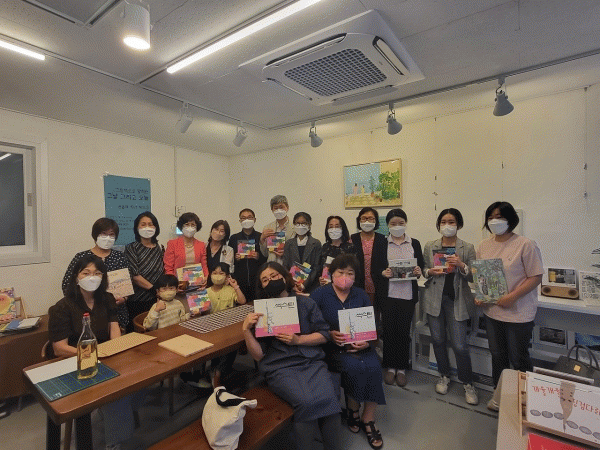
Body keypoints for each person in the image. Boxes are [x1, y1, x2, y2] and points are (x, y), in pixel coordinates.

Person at [242, 262, 342, 450]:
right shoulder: (260, 312)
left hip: (310, 361)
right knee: (306, 402)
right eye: (265, 280)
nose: (271, 280)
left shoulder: (306, 303)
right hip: (279, 367)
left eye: (274, 276)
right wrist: (246, 330)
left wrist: (298, 340)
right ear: (261, 286)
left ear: (284, 276)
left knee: (330, 398)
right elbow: (258, 355)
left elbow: (324, 334)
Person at [50, 254, 140, 450]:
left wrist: (117, 350)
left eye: (97, 273)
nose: (92, 277)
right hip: (76, 362)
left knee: (138, 380)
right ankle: (115, 443)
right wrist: (92, 355)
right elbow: (59, 348)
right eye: (86, 273)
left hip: (105, 356)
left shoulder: (107, 298)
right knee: (116, 393)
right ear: (76, 277)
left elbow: (114, 328)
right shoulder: (62, 307)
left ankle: (113, 419)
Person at [312, 254, 385, 449]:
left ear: (356, 276)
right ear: (331, 274)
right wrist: (329, 334)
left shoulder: (361, 295)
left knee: (374, 366)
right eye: (340, 272)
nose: (345, 277)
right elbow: (310, 323)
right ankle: (353, 410)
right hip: (333, 349)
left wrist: (367, 342)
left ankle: (368, 418)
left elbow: (373, 326)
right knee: (355, 366)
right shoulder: (319, 294)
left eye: (350, 273)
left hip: (361, 346)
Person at [476, 201, 543, 411]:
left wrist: (513, 297)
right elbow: (482, 276)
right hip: (492, 312)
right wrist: (481, 295)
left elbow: (535, 277)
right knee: (497, 355)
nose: (494, 221)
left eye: (500, 217)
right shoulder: (484, 245)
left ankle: (526, 402)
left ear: (511, 219)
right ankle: (499, 396)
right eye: (491, 217)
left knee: (518, 357)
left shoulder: (525, 244)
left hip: (518, 313)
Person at [422, 208, 478, 405]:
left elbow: (474, 275)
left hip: (457, 301)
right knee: (438, 340)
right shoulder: (430, 246)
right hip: (434, 299)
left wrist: (461, 265)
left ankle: (468, 382)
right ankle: (444, 375)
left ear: (458, 225)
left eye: (451, 222)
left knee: (460, 345)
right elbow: (424, 269)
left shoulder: (467, 247)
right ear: (439, 225)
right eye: (443, 222)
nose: (447, 225)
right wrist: (430, 271)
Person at [378, 208, 424, 387]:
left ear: (406, 223)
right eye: (393, 223)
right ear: (388, 225)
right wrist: (383, 273)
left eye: (401, 223)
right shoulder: (382, 243)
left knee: (403, 333)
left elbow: (420, 266)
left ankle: (402, 368)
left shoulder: (414, 243)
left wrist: (418, 271)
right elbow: (376, 267)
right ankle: (390, 367)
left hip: (407, 295)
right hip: (388, 295)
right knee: (389, 332)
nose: (397, 226)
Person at [62, 217, 132, 330]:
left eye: (111, 235)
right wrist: (86, 302)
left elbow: (129, 282)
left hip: (117, 313)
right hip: (88, 314)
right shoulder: (81, 257)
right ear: (95, 235)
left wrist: (124, 298)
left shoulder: (120, 256)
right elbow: (67, 284)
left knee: (118, 339)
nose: (107, 238)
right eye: (103, 234)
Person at [206, 262, 247, 387]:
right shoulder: (206, 292)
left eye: (221, 273)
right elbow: (201, 313)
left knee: (230, 347)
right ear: (210, 275)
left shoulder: (230, 290)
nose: (217, 276)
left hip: (229, 327)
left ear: (227, 276)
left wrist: (235, 286)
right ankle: (216, 372)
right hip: (212, 328)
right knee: (217, 350)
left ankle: (217, 373)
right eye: (215, 273)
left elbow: (242, 301)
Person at [124, 211, 165, 332]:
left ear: (156, 228)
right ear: (137, 228)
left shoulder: (160, 248)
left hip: (157, 299)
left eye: (150, 224)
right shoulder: (131, 248)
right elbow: (135, 276)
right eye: (143, 224)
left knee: (156, 332)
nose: (147, 227)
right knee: (137, 333)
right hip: (137, 300)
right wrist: (154, 290)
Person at [350, 207, 387, 335]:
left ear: (376, 221)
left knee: (374, 318)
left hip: (377, 285)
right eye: (364, 218)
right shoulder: (352, 239)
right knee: (357, 318)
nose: (367, 221)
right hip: (357, 284)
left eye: (371, 218)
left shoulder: (383, 239)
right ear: (359, 220)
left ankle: (373, 343)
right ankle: (358, 342)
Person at [229, 208, 266, 301]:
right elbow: (229, 260)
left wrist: (258, 256)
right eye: (243, 218)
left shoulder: (261, 236)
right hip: (240, 280)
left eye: (249, 217)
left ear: (255, 219)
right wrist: (235, 258)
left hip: (258, 280)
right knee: (241, 306)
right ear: (240, 221)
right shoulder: (234, 238)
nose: (246, 220)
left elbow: (267, 258)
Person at [163, 212, 208, 287]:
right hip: (178, 284)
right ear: (181, 226)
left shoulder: (201, 245)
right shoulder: (172, 244)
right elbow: (168, 267)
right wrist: (174, 283)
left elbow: (204, 265)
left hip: (197, 284)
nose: (190, 227)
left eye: (193, 225)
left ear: (197, 227)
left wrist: (206, 277)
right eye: (187, 224)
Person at [282, 212, 322, 294]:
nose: (300, 226)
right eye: (297, 223)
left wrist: (304, 285)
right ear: (294, 225)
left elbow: (316, 268)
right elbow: (285, 265)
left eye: (304, 223)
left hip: (311, 286)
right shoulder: (289, 243)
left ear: (309, 225)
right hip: (292, 286)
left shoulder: (316, 243)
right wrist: (292, 283)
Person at [319, 216, 356, 286]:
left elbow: (354, 270)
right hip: (327, 286)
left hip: (345, 286)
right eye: (331, 227)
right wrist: (321, 279)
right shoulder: (325, 247)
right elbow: (320, 268)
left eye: (337, 226)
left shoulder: (350, 247)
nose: (334, 229)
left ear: (342, 228)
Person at [259, 195, 296, 264]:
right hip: (273, 265)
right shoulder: (267, 228)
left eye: (281, 207)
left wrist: (286, 252)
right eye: (276, 208)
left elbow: (300, 251)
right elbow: (265, 254)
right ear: (272, 210)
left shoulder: (295, 227)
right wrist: (262, 239)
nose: (279, 210)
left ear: (287, 207)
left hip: (289, 266)